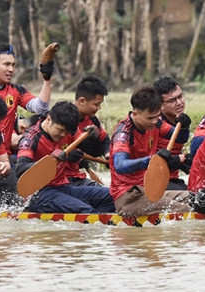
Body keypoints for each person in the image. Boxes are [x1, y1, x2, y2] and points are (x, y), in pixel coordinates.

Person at [14, 100, 115, 214]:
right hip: (40, 194)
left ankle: (101, 217)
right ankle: (94, 216)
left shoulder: (69, 131)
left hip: (63, 187)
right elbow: (20, 168)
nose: (63, 135)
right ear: (48, 119)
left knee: (114, 197)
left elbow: (93, 151)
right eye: (60, 130)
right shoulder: (31, 138)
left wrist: (92, 138)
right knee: (86, 211)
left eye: (66, 132)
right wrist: (50, 159)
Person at [110, 85, 192, 216]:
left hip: (148, 190)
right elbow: (120, 165)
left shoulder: (156, 122)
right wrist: (152, 160)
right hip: (128, 196)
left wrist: (185, 126)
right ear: (135, 114)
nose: (155, 121)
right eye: (150, 118)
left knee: (195, 199)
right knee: (185, 210)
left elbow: (180, 137)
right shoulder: (124, 133)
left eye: (157, 116)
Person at [0, 42, 51, 154]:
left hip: (4, 157)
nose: (11, 69)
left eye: (13, 65)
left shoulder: (16, 90)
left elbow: (41, 109)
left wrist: (47, 80)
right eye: (6, 64)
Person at [65, 75, 111, 187]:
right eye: (96, 104)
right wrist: (66, 156)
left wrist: (108, 155)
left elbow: (104, 140)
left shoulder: (92, 120)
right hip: (58, 177)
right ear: (82, 101)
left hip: (75, 176)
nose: (99, 108)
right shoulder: (61, 117)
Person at [152, 76, 192, 190]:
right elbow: (156, 162)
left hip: (172, 178)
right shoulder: (155, 122)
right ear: (160, 105)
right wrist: (184, 159)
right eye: (172, 100)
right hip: (155, 180)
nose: (179, 103)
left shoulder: (179, 119)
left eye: (180, 96)